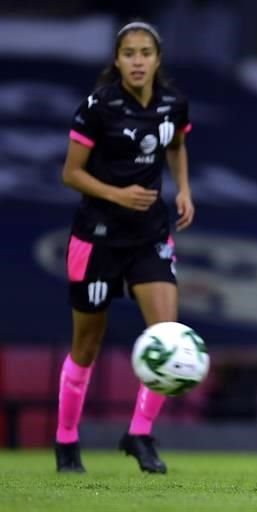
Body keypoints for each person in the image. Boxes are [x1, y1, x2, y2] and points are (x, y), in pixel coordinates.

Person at [54, 20, 194, 474]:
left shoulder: (173, 103)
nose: (137, 61)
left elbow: (175, 144)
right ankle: (67, 442)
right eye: (129, 53)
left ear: (157, 59)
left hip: (149, 235)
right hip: (97, 237)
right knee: (86, 346)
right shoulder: (98, 107)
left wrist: (184, 190)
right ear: (117, 60)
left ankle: (139, 434)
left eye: (145, 53)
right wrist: (119, 195)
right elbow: (70, 173)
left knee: (167, 336)